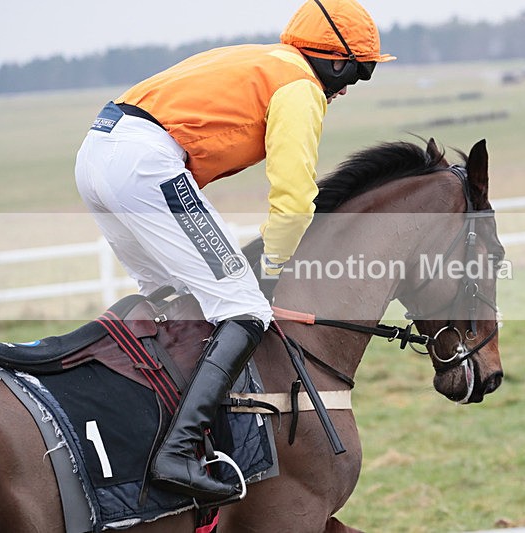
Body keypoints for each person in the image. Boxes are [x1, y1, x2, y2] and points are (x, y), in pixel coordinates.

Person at [74, 0, 395, 500]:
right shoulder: (300, 87)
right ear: (336, 61)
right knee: (244, 306)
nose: (351, 87)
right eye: (360, 72)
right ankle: (177, 453)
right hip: (145, 164)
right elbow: (293, 197)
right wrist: (270, 265)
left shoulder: (265, 60)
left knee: (173, 302)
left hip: (97, 155)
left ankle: (151, 428)